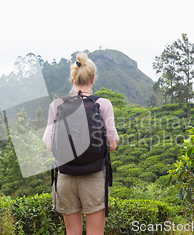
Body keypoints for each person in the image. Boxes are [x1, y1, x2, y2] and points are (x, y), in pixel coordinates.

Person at [42, 52, 119, 235]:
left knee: (72, 232)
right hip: (94, 176)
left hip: (66, 177)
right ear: (92, 80)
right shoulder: (103, 104)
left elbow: (49, 145)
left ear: (72, 80)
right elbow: (113, 144)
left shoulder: (57, 105)